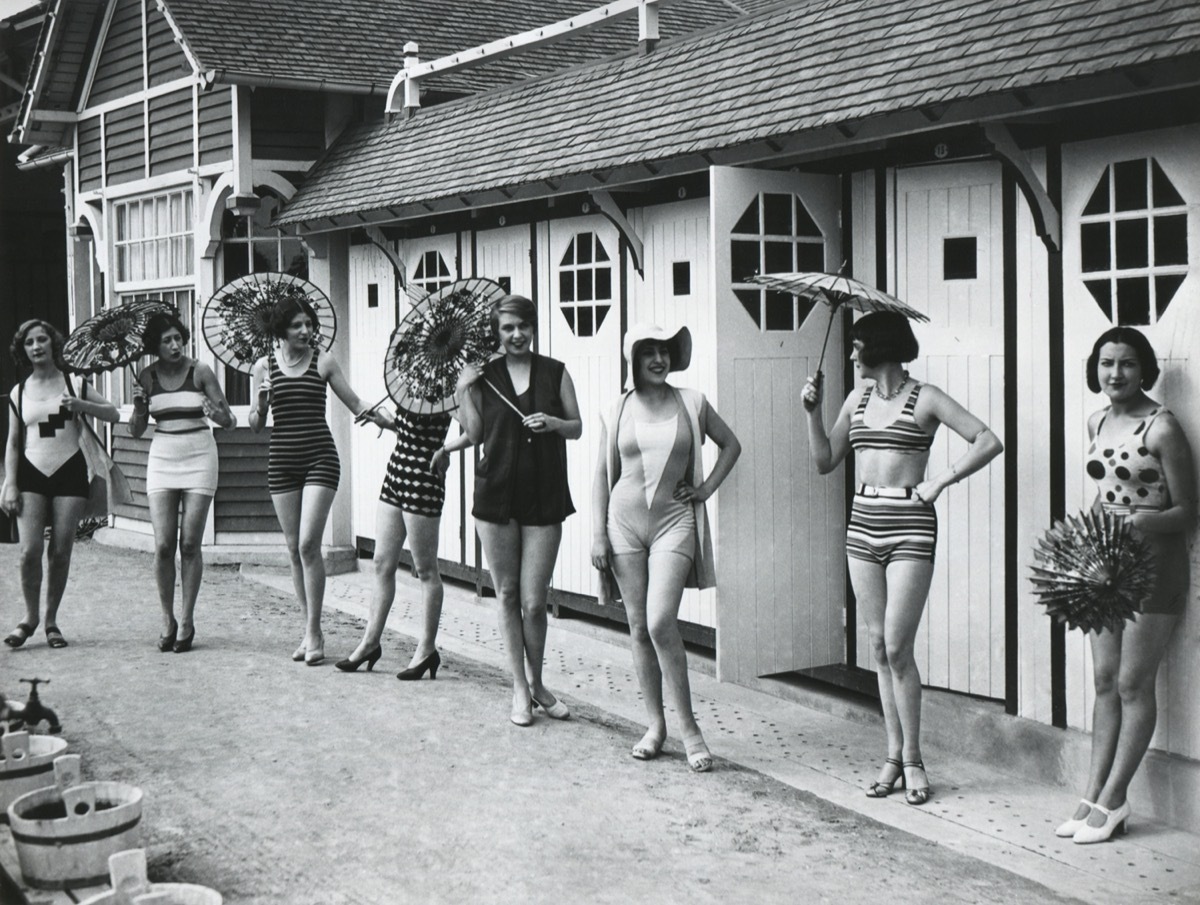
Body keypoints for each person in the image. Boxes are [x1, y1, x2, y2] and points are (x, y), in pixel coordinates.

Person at [802, 311, 1002, 805]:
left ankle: (913, 758)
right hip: (862, 522)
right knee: (876, 645)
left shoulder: (926, 397)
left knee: (897, 647)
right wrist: (812, 411)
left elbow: (988, 440)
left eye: (856, 345)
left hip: (910, 524)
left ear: (878, 347)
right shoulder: (857, 397)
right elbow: (825, 460)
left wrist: (940, 480)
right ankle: (893, 755)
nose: (850, 354)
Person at [1055, 327, 1195, 844]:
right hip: (1106, 563)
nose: (1116, 374)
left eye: (1128, 364)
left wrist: (1136, 522)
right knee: (1105, 682)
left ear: (1145, 370)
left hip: (1155, 565)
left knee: (1134, 685)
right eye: (1107, 362)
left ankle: (1115, 799)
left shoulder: (1162, 429)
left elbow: (1187, 511)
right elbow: (1105, 493)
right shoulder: (1097, 420)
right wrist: (1084, 539)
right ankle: (1092, 794)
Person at [590, 324, 741, 772]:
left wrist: (705, 489)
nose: (659, 359)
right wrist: (598, 534)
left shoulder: (692, 401)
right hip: (623, 524)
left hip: (675, 523)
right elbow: (601, 474)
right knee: (638, 626)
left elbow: (731, 445)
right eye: (649, 352)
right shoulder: (615, 407)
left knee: (660, 622)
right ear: (633, 359)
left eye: (665, 351)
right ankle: (656, 726)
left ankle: (691, 729)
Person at [454, 294, 581, 726]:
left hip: (545, 494)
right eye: (507, 328)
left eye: (522, 325)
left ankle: (539, 681)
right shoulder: (484, 377)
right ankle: (520, 688)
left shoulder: (555, 372)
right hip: (496, 494)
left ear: (533, 326)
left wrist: (554, 423)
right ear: (497, 332)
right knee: (506, 594)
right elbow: (473, 434)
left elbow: (577, 427)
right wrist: (461, 388)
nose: (516, 334)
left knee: (533, 601)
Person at [248, 297, 393, 665]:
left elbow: (356, 403)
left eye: (308, 324)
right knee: (295, 546)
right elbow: (255, 424)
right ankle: (309, 629)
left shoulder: (323, 361)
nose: (305, 331)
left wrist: (384, 419)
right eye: (297, 325)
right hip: (281, 461)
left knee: (310, 543)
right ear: (281, 330)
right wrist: (262, 404)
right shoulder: (263, 368)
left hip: (320, 459)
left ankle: (314, 634)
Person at [2, 320, 119, 649]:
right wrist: (10, 483)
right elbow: (13, 443)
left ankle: (51, 620)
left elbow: (111, 414)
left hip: (69, 470)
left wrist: (82, 406)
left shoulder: (74, 382)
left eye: (42, 340)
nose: (36, 346)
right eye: (29, 342)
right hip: (31, 473)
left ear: (53, 344)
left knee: (61, 551)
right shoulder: (19, 392)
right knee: (29, 552)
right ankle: (29, 618)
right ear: (23, 350)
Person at [334, 411, 473, 677]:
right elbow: (409, 432)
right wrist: (390, 423)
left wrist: (445, 449)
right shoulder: (411, 380)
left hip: (424, 477)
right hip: (396, 471)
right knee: (381, 562)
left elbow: (476, 429)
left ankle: (427, 649)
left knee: (426, 569)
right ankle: (370, 642)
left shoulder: (448, 389)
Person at [129, 312, 235, 653]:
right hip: (163, 457)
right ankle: (167, 618)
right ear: (155, 346)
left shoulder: (200, 371)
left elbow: (229, 420)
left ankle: (187, 620)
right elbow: (136, 430)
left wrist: (216, 413)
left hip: (200, 455)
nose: (175, 345)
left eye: (178, 338)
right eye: (166, 340)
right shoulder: (146, 376)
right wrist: (138, 405)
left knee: (190, 544)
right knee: (163, 545)